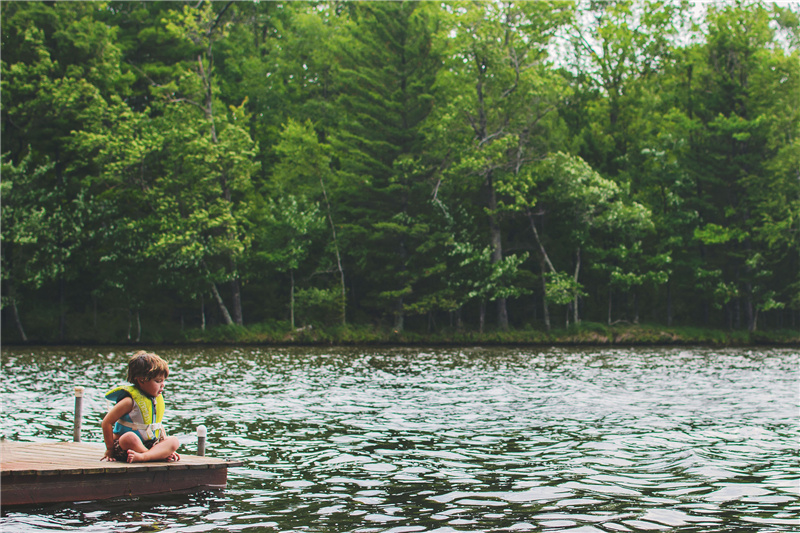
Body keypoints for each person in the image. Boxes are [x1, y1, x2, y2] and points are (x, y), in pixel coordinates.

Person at [101, 351, 181, 463]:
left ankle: (146, 456)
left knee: (174, 441)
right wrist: (109, 449)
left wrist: (165, 446)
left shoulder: (154, 400)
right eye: (158, 381)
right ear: (141, 380)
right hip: (125, 447)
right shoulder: (129, 402)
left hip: (149, 444)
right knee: (129, 437)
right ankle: (153, 455)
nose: (162, 385)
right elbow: (106, 422)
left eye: (163, 381)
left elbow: (157, 426)